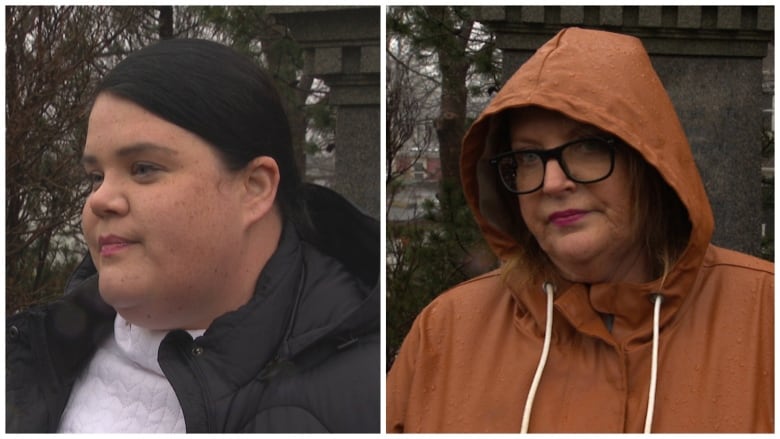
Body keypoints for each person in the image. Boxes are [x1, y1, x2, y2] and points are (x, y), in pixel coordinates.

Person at [386, 27, 773, 433]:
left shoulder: (765, 319)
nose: (553, 183)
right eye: (528, 157)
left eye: (587, 146)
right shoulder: (445, 333)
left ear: (649, 162)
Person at [6, 38, 380, 433]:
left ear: (254, 187)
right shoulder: (26, 359)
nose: (100, 200)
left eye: (143, 168)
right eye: (96, 176)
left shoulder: (367, 396)